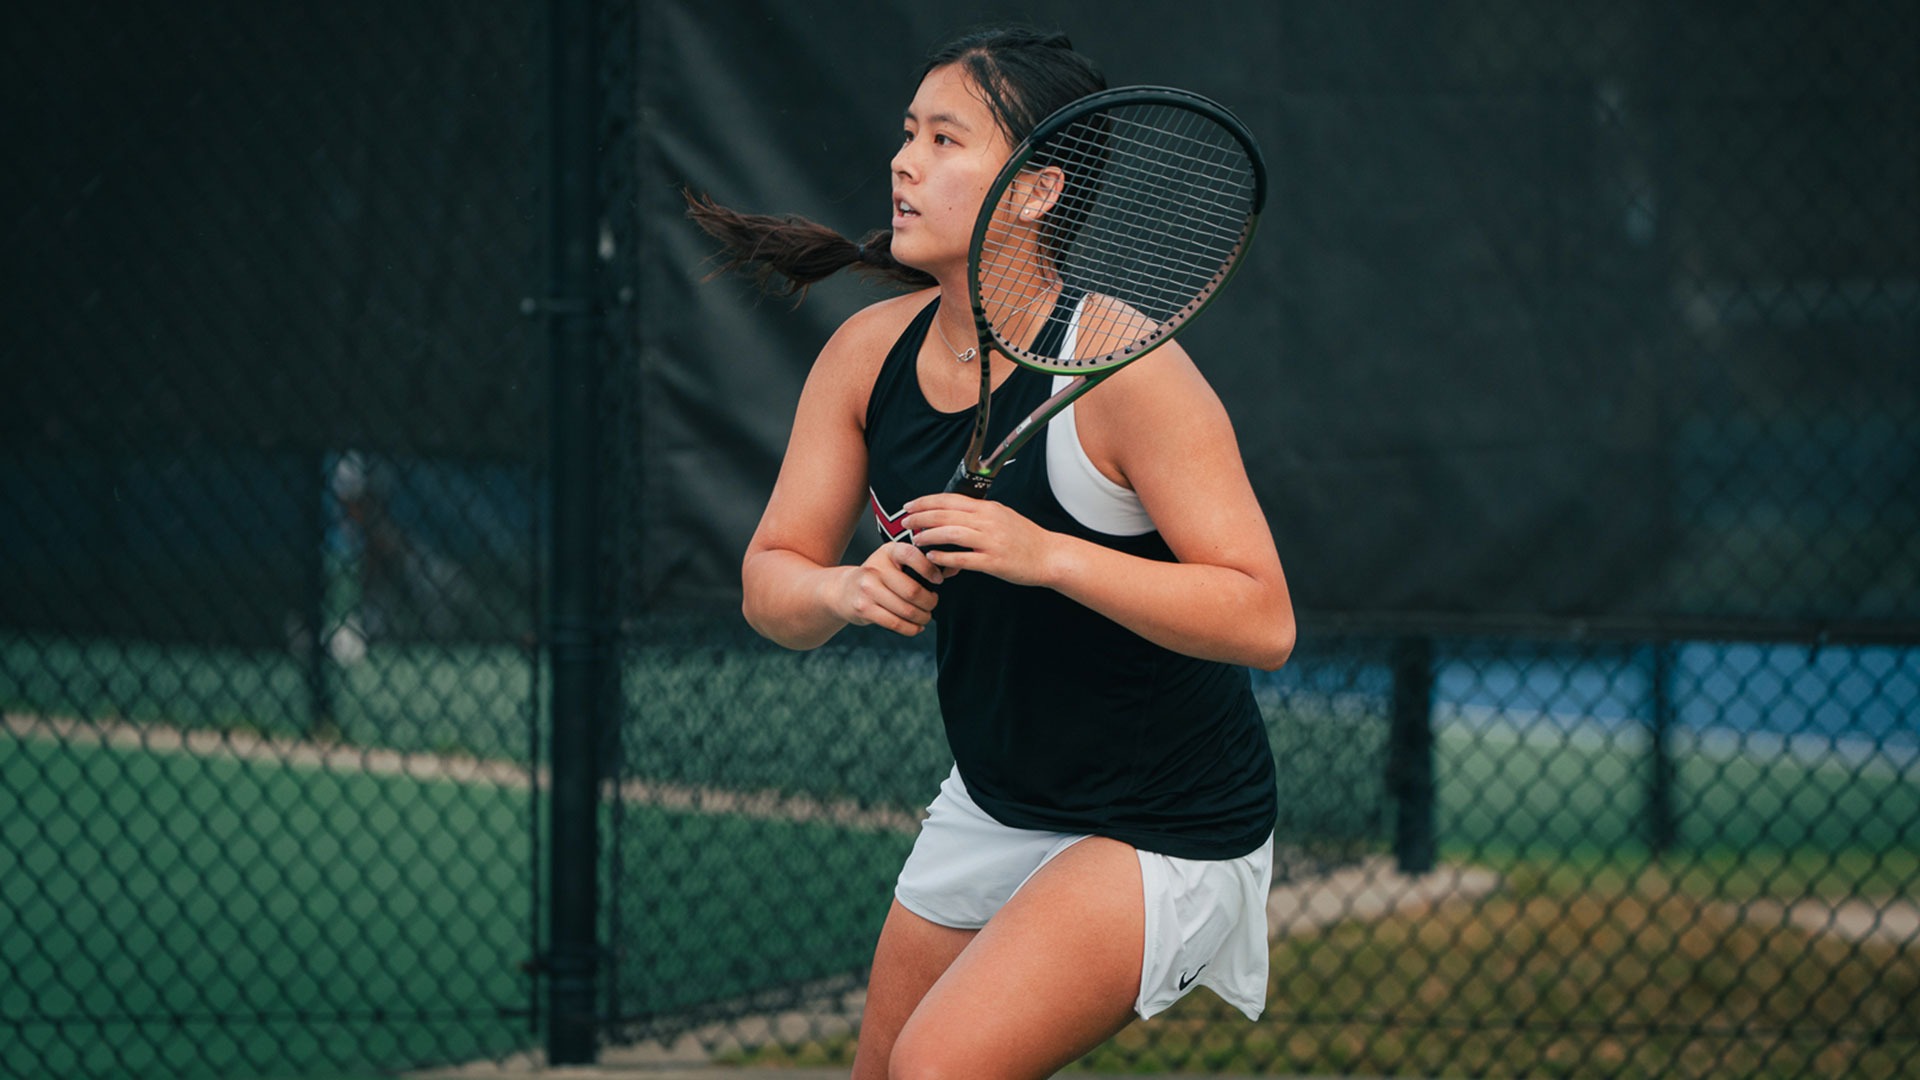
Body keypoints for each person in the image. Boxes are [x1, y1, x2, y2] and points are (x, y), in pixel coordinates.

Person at [688, 25, 1294, 1080]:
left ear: (1034, 190)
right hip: (1002, 797)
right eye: (906, 133)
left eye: (944, 139)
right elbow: (770, 585)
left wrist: (1047, 555)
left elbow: (1262, 618)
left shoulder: (1123, 369)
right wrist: (843, 586)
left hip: (1167, 824)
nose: (903, 161)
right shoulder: (864, 356)